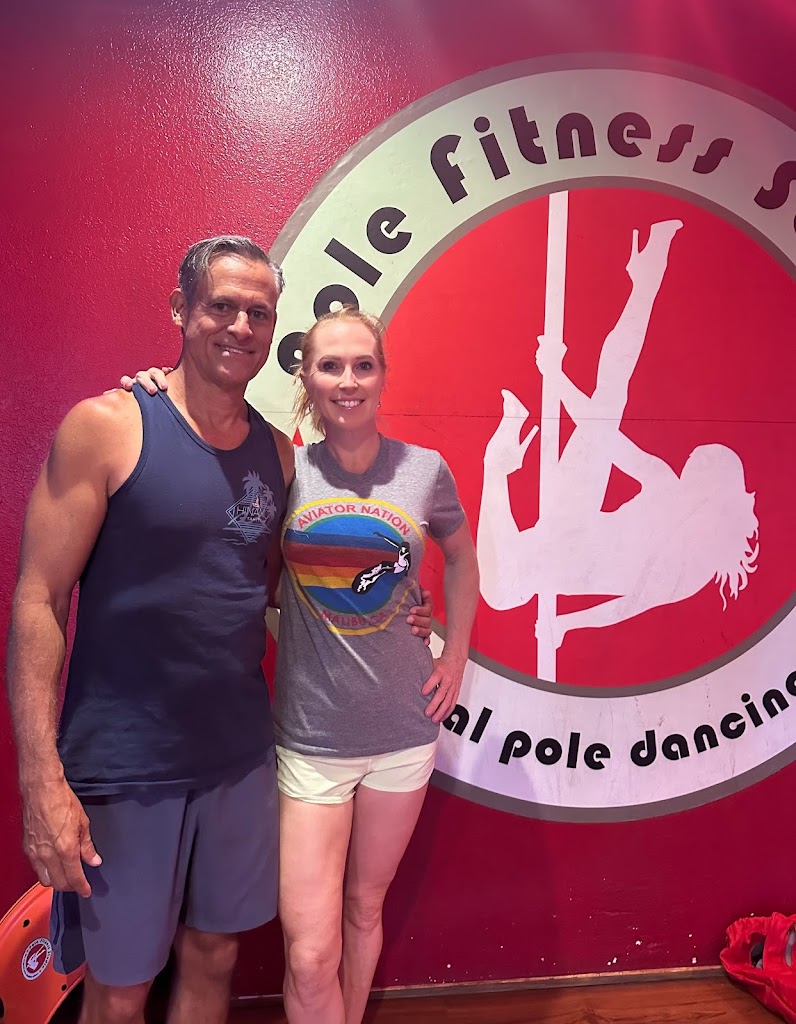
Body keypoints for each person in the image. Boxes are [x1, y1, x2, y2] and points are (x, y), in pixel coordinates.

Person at [6, 237, 432, 1024]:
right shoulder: (107, 427)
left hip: (239, 760)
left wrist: (398, 611)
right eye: (221, 306)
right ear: (181, 309)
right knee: (120, 989)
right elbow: (38, 600)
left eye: (258, 313)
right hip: (125, 767)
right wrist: (41, 780)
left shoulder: (278, 456)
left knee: (214, 958)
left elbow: (282, 591)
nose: (240, 326)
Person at [131, 306, 479, 1024]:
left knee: (364, 909)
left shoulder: (424, 471)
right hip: (311, 743)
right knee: (311, 953)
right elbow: (210, 468)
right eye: (330, 366)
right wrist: (157, 394)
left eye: (363, 365)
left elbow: (463, 559)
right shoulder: (285, 468)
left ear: (382, 376)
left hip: (403, 732)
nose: (348, 381)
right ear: (307, 380)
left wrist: (455, 652)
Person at [479, 218, 758, 652]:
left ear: (713, 491)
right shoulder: (666, 485)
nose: (686, 466)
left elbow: (635, 603)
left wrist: (566, 625)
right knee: (610, 396)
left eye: (697, 466)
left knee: (499, 591)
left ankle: (496, 466)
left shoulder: (690, 561)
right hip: (565, 528)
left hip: (544, 560)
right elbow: (600, 432)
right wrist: (555, 376)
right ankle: (645, 284)